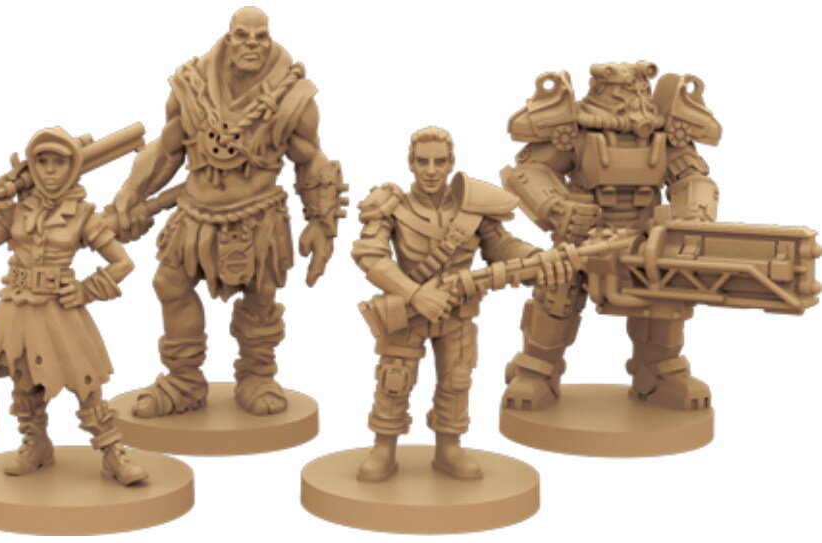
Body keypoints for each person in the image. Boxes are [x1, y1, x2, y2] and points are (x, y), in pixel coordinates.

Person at [110, 7, 345, 417]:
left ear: (269, 40)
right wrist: (130, 193)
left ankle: (257, 376)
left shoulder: (294, 98)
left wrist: (321, 223)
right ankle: (183, 381)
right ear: (229, 37)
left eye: (260, 37)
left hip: (259, 217)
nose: (252, 44)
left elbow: (311, 160)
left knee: (261, 295)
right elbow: (167, 150)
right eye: (242, 35)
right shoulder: (190, 86)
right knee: (169, 283)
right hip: (195, 215)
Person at [500, 62, 721, 411]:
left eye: (637, 89)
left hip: (647, 240)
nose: (630, 98)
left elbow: (692, 178)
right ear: (599, 90)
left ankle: (659, 373)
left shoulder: (665, 137)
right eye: (620, 90)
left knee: (666, 296)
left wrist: (695, 214)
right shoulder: (576, 133)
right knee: (558, 291)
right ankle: (537, 370)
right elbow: (530, 171)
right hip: (583, 238)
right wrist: (557, 208)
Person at [352, 127, 561, 481]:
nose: (431, 170)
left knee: (457, 380)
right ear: (411, 163)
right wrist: (415, 294)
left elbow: (501, 246)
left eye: (439, 162)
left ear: (451, 163)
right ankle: (384, 447)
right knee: (394, 379)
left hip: (457, 312)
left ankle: (449, 447)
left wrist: (537, 257)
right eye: (423, 162)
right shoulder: (392, 205)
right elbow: (370, 256)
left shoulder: (475, 205)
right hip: (408, 312)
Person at [0, 127, 146, 484]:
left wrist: (87, 289)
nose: (49, 171)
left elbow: (122, 262)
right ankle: (36, 444)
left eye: (58, 163)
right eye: (41, 162)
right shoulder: (18, 210)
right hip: (17, 306)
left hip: (60, 311)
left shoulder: (83, 214)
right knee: (24, 381)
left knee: (85, 384)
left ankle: (112, 454)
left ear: (72, 166)